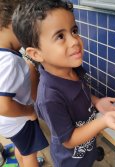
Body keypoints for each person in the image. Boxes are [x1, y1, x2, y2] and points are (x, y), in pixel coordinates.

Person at [12, 0, 115, 166]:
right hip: (71, 161)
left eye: (74, 31)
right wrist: (103, 121)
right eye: (60, 36)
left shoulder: (73, 69)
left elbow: (80, 92)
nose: (75, 41)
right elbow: (68, 140)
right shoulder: (49, 97)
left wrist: (97, 102)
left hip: (88, 148)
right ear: (36, 54)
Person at [0, 1, 49, 167]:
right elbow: (3, 106)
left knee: (22, 147)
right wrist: (29, 111)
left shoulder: (5, 55)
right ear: (13, 25)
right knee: (30, 155)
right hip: (19, 119)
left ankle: (21, 162)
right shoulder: (9, 62)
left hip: (7, 123)